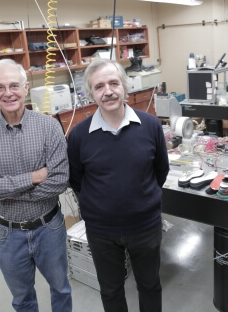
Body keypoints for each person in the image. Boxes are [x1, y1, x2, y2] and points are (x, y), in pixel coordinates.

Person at [0, 58, 72, 312]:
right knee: (22, 299)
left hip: (49, 227)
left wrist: (3, 190)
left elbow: (59, 181)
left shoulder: (48, 126)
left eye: (14, 85)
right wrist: (33, 177)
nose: (8, 93)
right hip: (7, 233)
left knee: (60, 288)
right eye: (0, 87)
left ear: (25, 88)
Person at [67, 59, 170, 312]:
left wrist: (140, 201)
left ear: (124, 86)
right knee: (111, 290)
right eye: (99, 86)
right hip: (102, 231)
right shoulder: (79, 135)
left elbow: (161, 171)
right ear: (91, 94)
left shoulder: (151, 126)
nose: (108, 91)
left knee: (150, 285)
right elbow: (77, 179)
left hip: (145, 226)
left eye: (114, 83)